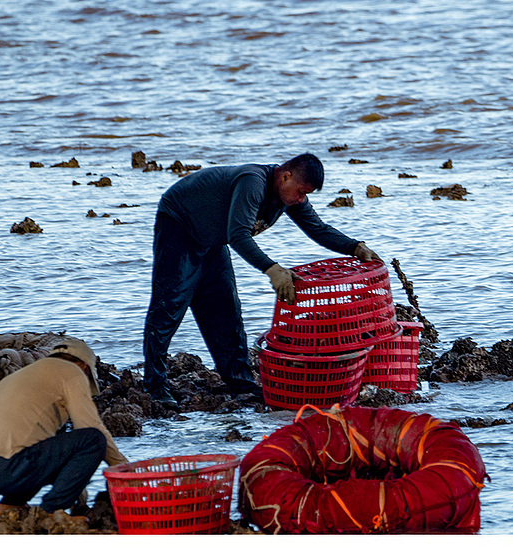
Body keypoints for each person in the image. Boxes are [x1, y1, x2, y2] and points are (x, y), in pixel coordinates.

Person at [141, 153, 379, 404]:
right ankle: (154, 386)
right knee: (169, 307)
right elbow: (238, 236)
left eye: (306, 194)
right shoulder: (252, 183)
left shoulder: (288, 197)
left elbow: (317, 228)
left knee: (225, 311)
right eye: (300, 191)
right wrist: (273, 269)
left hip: (212, 240)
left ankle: (240, 384)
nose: (302, 199)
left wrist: (355, 248)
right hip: (179, 225)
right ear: (285, 176)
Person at [0, 338, 127, 516]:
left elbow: (59, 458)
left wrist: (79, 501)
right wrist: (123, 467)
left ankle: (10, 505)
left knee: (39, 447)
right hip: (4, 469)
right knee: (93, 440)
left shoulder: (29, 374)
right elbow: (89, 426)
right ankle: (50, 512)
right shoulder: (72, 371)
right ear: (83, 366)